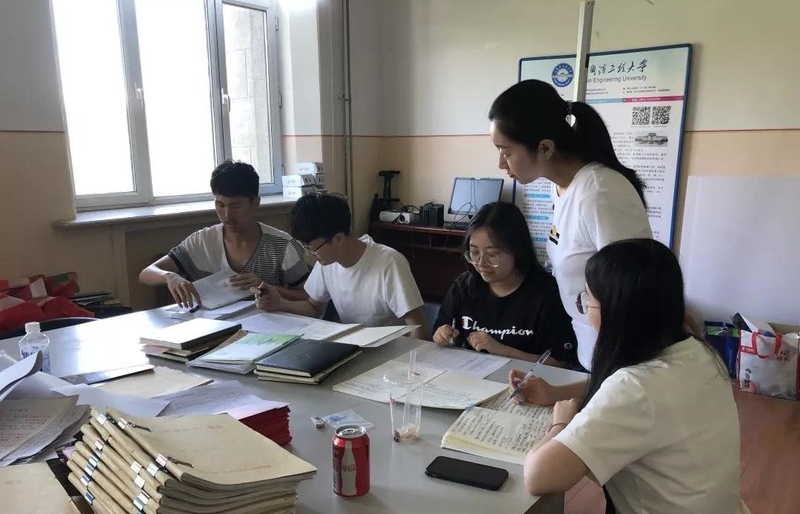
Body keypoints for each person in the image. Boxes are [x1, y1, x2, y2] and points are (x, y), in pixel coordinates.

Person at [506, 239, 768, 514]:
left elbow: (539, 476)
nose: (585, 309)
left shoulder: (635, 388)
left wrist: (561, 422)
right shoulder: (697, 353)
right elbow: (630, 392)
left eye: (588, 300)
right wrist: (557, 393)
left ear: (618, 312)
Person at [489, 79, 652, 371]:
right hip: (591, 352)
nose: (501, 163)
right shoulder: (563, 187)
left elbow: (632, 294)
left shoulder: (601, 192)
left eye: (506, 151)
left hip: (621, 360)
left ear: (545, 148)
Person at [253, 192, 427, 339]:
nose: (309, 254)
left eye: (312, 248)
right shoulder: (327, 261)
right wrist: (280, 303)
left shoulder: (389, 263)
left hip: (391, 353)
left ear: (338, 238)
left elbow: (418, 328)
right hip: (353, 348)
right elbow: (314, 307)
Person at [139, 161, 311, 308]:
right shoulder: (202, 241)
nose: (227, 215)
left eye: (236, 206)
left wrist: (269, 289)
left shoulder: (282, 245)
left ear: (255, 203)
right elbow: (146, 273)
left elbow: (309, 298)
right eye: (220, 205)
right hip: (213, 327)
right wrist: (169, 277)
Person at [431, 201, 576, 365]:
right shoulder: (464, 287)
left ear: (517, 250)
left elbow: (561, 363)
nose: (481, 263)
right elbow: (439, 331)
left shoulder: (547, 293)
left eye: (492, 254)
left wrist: (501, 350)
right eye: (474, 253)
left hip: (525, 379)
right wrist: (441, 335)